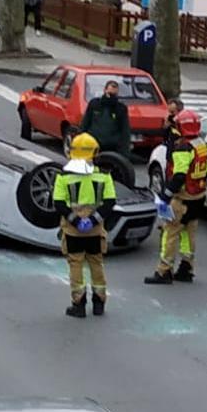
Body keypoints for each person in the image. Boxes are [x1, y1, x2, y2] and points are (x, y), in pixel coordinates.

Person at [52, 132, 117, 318]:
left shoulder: (63, 176)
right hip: (95, 231)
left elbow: (58, 203)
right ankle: (99, 303)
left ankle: (78, 304)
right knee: (96, 264)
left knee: (76, 265)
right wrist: (93, 219)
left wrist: (76, 220)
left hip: (73, 231)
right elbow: (110, 202)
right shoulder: (104, 176)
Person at [145, 110, 207, 285]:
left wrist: (166, 196)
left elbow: (179, 175)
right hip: (199, 196)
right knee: (189, 234)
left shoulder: (183, 147)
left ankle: (164, 271)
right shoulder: (202, 144)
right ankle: (186, 268)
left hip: (182, 198)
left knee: (170, 232)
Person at [79, 80, 131, 157]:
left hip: (112, 148)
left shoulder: (120, 109)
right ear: (104, 90)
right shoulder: (95, 104)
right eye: (109, 94)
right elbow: (85, 123)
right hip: (93, 144)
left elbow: (125, 130)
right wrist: (80, 139)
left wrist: (125, 152)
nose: (111, 97)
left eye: (114, 94)